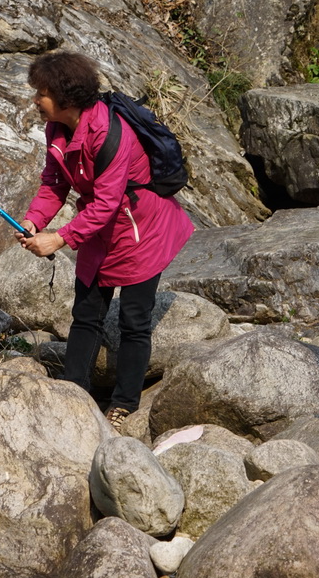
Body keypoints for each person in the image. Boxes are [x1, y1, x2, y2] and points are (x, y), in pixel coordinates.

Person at [18, 50, 194, 430]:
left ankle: (123, 405)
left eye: (42, 93)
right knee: (85, 314)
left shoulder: (112, 135)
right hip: (99, 226)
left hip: (140, 228)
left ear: (66, 97)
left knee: (134, 319)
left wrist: (59, 239)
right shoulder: (57, 130)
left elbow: (107, 203)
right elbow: (54, 183)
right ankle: (74, 393)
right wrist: (34, 221)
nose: (35, 101)